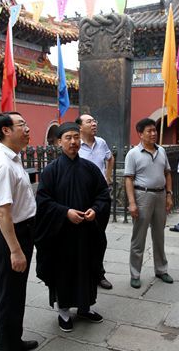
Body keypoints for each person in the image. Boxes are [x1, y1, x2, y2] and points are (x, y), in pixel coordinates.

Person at [35, 122, 111, 332]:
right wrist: (64, 213)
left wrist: (95, 210)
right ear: (59, 142)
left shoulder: (90, 168)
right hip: (61, 235)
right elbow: (43, 201)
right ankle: (64, 312)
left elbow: (103, 195)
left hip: (87, 232)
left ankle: (85, 307)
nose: (73, 142)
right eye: (68, 138)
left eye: (76, 137)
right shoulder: (51, 171)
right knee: (64, 273)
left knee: (86, 270)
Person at [0, 112, 38, 351]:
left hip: (20, 231)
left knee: (15, 293)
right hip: (10, 235)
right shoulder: (2, 163)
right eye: (22, 124)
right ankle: (7, 346)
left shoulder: (13, 157)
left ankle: (14, 340)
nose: (27, 129)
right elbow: (3, 212)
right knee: (8, 296)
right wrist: (15, 251)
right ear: (6, 130)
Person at [125, 118, 173, 289]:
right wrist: (132, 203)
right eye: (149, 131)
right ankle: (135, 273)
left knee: (159, 235)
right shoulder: (133, 154)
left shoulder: (161, 151)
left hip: (160, 195)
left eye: (154, 130)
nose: (153, 134)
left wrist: (169, 194)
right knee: (139, 237)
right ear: (140, 134)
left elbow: (167, 173)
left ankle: (161, 269)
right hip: (142, 195)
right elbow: (129, 179)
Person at [76, 113, 114, 290]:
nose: (93, 124)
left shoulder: (101, 142)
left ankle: (99, 273)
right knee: (83, 238)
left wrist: (107, 177)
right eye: (89, 121)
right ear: (80, 127)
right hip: (83, 198)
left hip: (101, 196)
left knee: (100, 237)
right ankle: (83, 273)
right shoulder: (76, 146)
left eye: (94, 121)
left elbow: (110, 157)